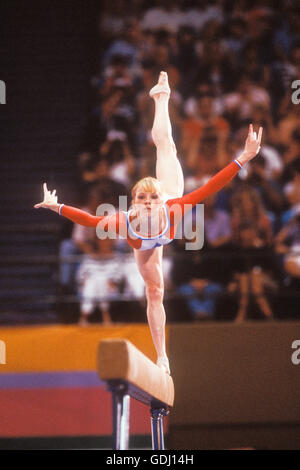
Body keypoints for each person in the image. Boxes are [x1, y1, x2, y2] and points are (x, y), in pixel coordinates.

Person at [34, 71, 263, 375]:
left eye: (152, 198)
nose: (148, 202)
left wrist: (244, 157)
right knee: (154, 292)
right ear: (134, 203)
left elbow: (210, 188)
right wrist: (56, 205)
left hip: (169, 190)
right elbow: (89, 221)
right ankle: (162, 355)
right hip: (143, 247)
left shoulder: (172, 206)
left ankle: (161, 96)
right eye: (142, 198)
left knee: (165, 145)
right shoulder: (124, 222)